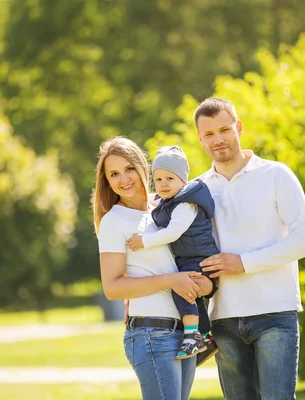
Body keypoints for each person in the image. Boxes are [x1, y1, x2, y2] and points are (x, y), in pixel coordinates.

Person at [193, 97, 305, 400]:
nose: (218, 139)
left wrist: (244, 263)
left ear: (238, 127)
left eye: (224, 129)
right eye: (208, 134)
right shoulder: (196, 189)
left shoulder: (276, 174)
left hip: (275, 314)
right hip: (223, 318)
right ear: (199, 138)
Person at [91, 136, 211, 400]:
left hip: (186, 332)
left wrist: (204, 283)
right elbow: (112, 287)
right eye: (114, 174)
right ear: (107, 181)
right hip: (151, 334)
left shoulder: (168, 207)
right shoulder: (114, 220)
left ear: (143, 167)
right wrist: (170, 280)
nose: (124, 179)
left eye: (129, 168)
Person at [126, 145, 220, 361]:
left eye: (169, 178)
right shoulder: (169, 202)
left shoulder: (186, 203)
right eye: (158, 180)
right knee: (191, 296)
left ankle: (192, 336)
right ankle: (206, 337)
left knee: (182, 288)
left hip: (199, 257)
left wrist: (143, 242)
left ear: (182, 181)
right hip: (190, 256)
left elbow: (172, 233)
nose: (163, 184)